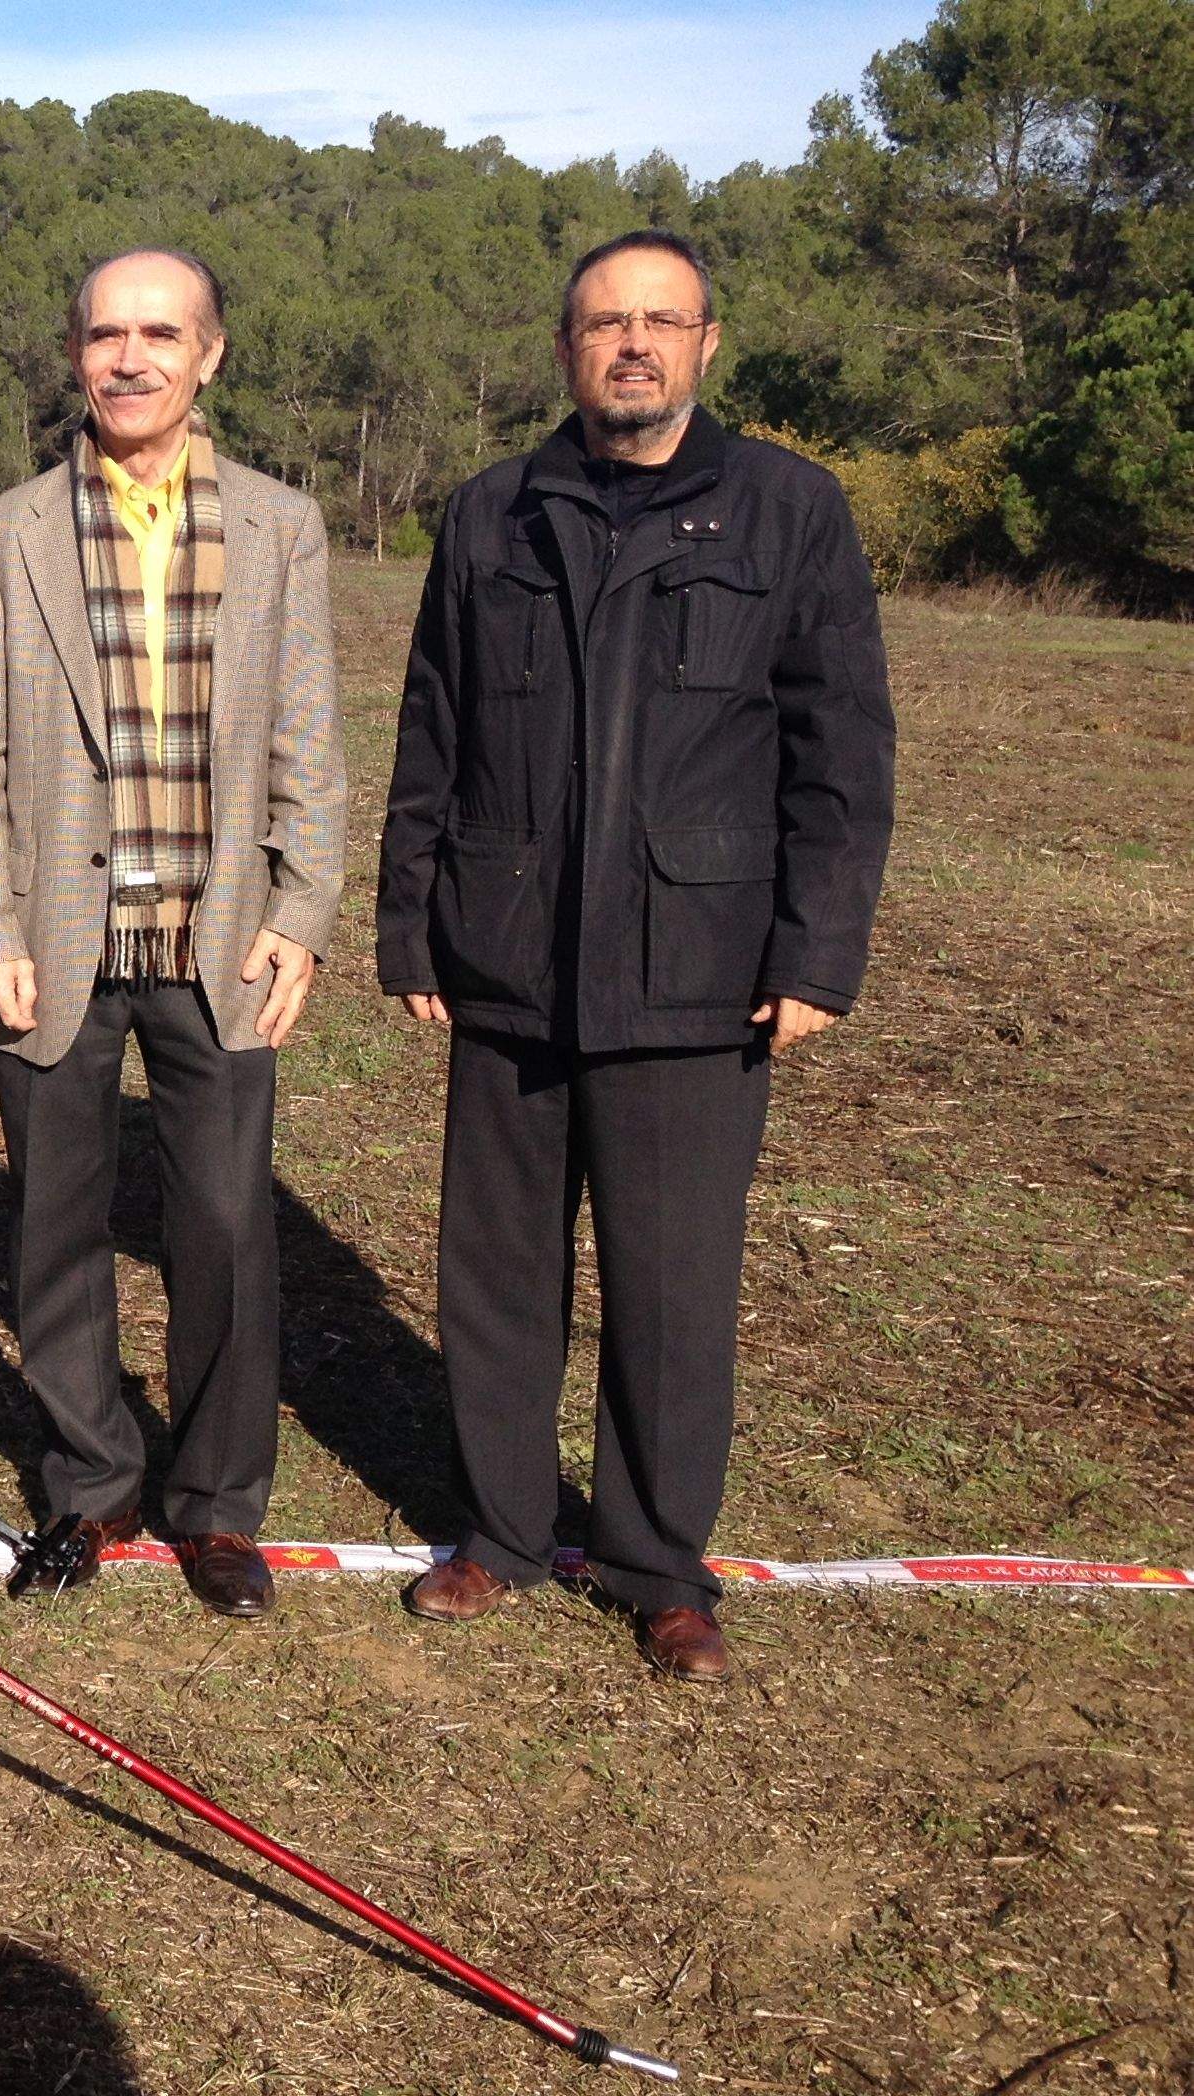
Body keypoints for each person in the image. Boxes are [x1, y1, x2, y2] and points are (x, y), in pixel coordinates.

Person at [377, 230, 895, 1682]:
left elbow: (838, 754)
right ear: (565, 349)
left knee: (670, 1287)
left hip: (699, 966)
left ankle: (657, 1563)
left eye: (659, 323)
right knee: (494, 1273)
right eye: (605, 322)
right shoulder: (491, 513)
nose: (631, 345)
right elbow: (436, 724)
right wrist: (408, 917)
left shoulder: (788, 510)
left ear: (705, 345)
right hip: (506, 955)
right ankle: (493, 1531)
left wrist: (818, 955)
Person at [0, 249, 347, 1619]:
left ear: (208, 354)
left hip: (220, 941)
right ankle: (92, 1481)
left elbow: (306, 737)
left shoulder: (283, 529)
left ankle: (219, 1504)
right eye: (104, 334)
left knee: (224, 1226)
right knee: (54, 1230)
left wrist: (301, 912)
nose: (129, 358)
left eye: (158, 334)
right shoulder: (0, 537)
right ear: (73, 356)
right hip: (50, 940)